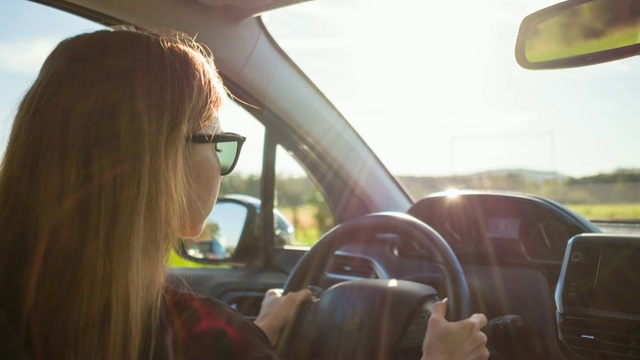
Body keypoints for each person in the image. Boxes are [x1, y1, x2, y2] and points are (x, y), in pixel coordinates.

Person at [0, 28, 489, 359]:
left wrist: (257, 332)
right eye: (216, 139)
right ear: (162, 161)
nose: (221, 164)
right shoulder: (199, 337)